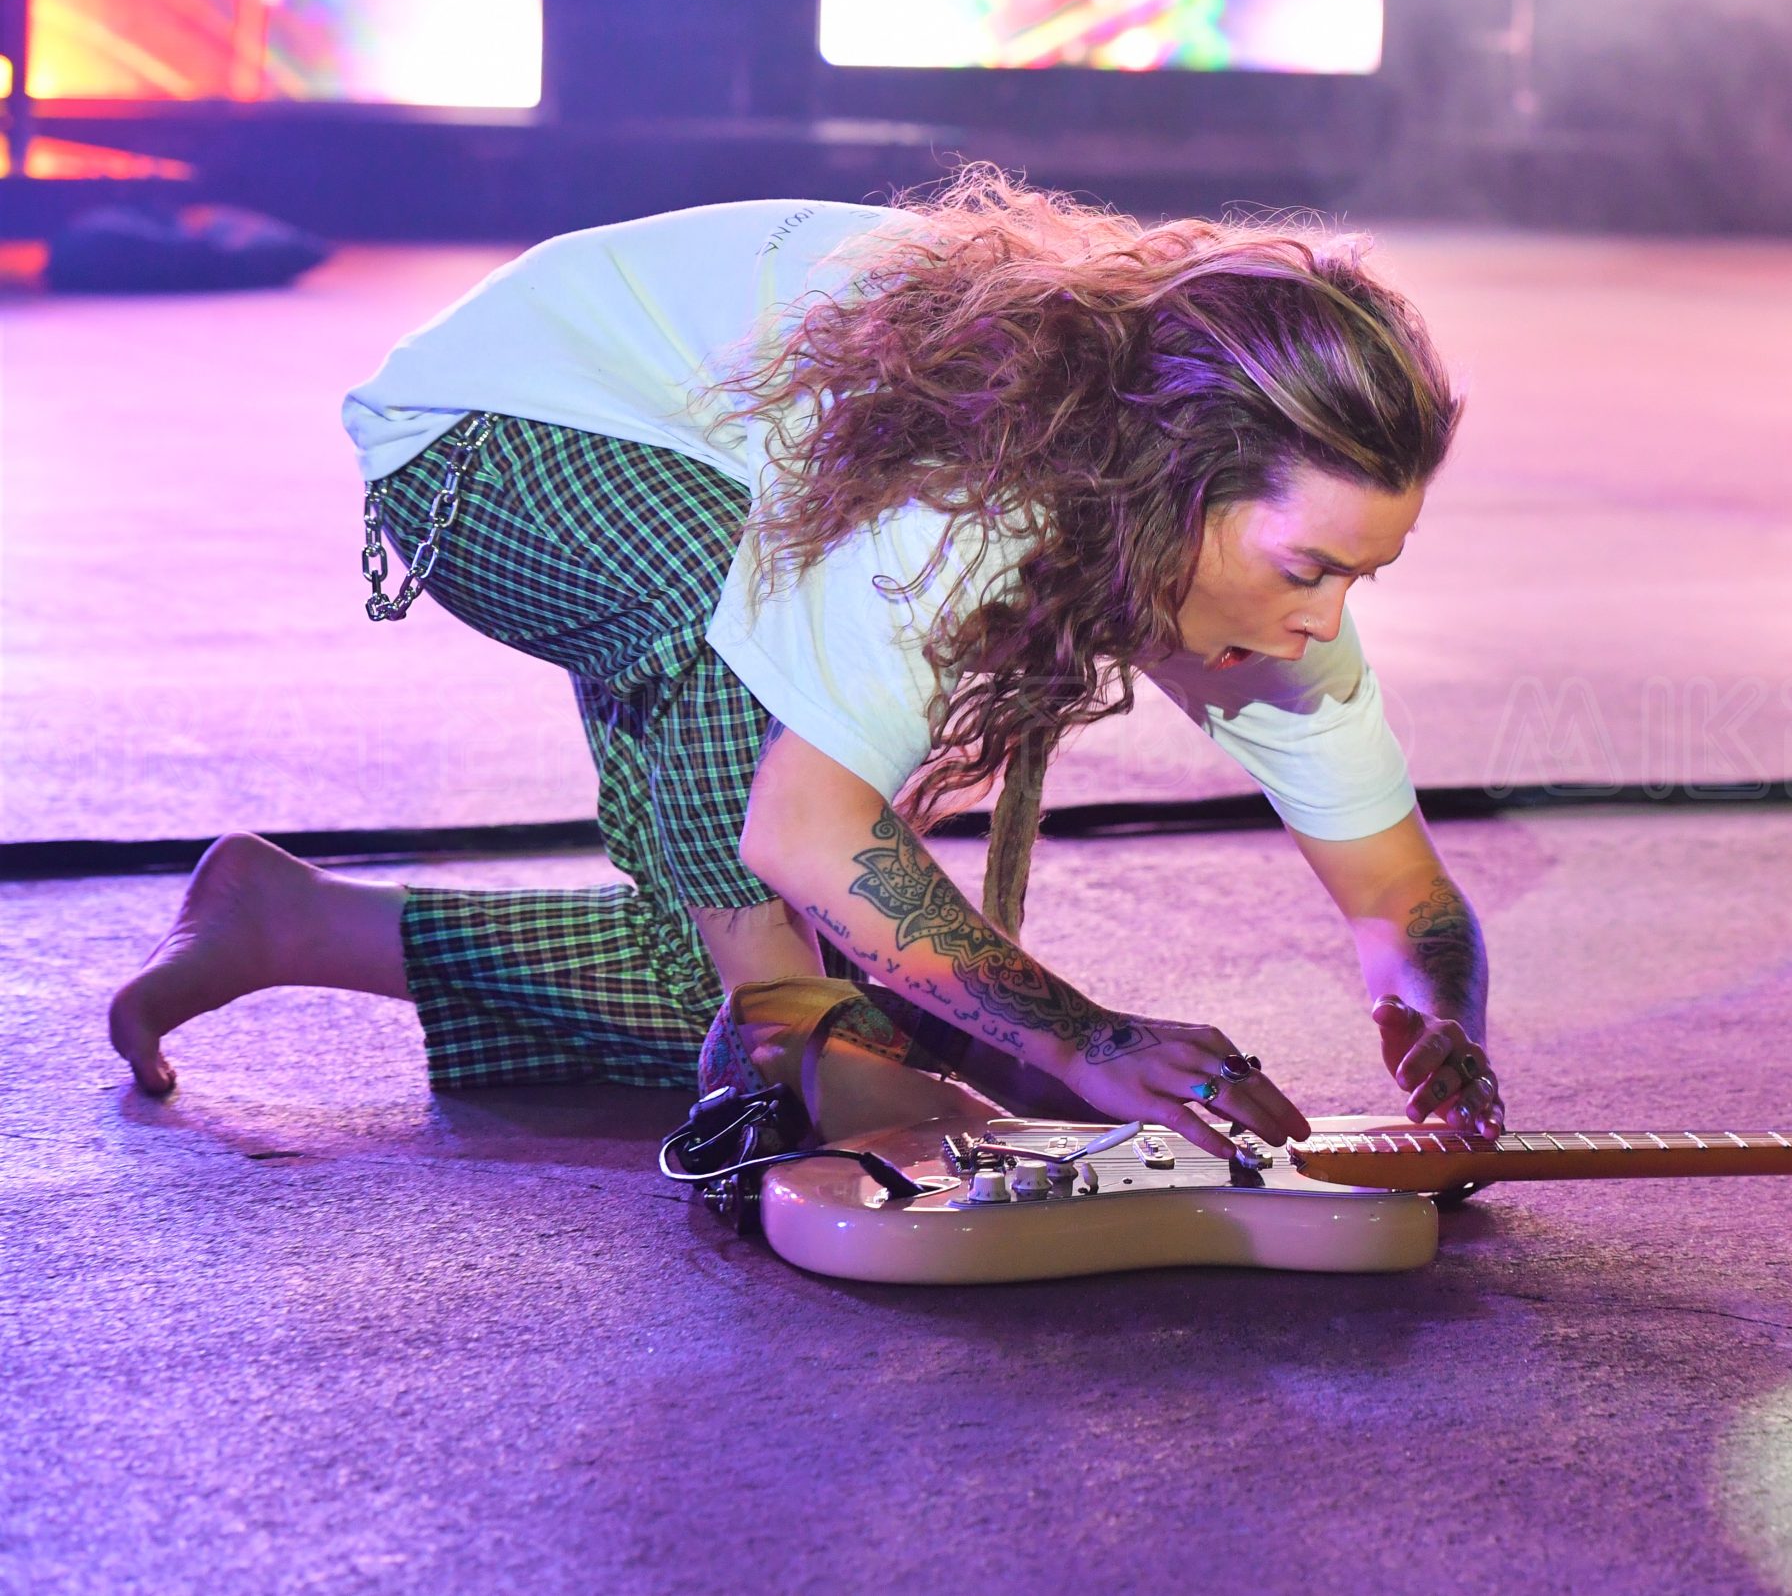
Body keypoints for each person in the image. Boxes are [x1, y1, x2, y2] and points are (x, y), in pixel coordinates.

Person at [107, 167, 1503, 1161]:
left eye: (1359, 575)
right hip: (495, 435)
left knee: (765, 962)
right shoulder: (979, 499)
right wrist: (1076, 1033)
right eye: (1310, 568)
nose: (1327, 622)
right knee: (803, 924)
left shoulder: (1275, 597)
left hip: (688, 467)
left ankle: (287, 919)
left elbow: (1401, 895)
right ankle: (787, 1028)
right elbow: (806, 825)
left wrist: (1445, 1034)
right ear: (1175, 486)